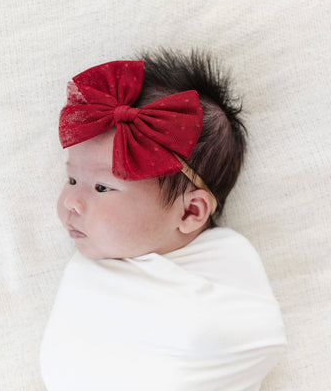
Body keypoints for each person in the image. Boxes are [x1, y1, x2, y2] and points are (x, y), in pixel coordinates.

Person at [40, 50, 287, 391]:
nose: (71, 202)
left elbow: (257, 337)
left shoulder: (228, 261)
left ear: (190, 212)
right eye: (71, 180)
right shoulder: (94, 271)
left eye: (101, 187)